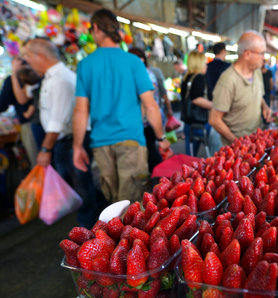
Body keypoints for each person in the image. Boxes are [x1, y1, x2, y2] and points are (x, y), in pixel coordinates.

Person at [72, 9, 169, 203]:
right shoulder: (133, 62)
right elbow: (150, 106)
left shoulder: (85, 65)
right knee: (132, 207)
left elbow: (81, 110)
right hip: (131, 142)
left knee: (112, 206)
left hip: (101, 145)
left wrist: (77, 147)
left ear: (96, 29)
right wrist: (161, 138)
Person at [23, 38, 105, 228]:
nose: (27, 61)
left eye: (28, 56)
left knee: (82, 189)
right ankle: (92, 224)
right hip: (65, 142)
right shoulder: (51, 77)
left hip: (70, 142)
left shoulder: (60, 79)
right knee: (80, 187)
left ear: (40, 56)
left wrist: (45, 149)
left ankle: (91, 230)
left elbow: (56, 122)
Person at [209, 30, 272, 146]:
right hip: (237, 150)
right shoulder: (228, 80)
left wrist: (265, 107)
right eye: (262, 53)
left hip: (257, 139)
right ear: (247, 54)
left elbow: (258, 96)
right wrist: (237, 142)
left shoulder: (257, 72)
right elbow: (214, 119)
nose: (264, 58)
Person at [128, 48, 166, 173]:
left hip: (147, 121)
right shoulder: (145, 73)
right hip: (148, 119)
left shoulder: (145, 75)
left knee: (150, 151)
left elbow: (147, 104)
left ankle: (159, 181)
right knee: (150, 150)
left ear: (141, 59)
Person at [0, 57, 38, 166]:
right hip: (41, 123)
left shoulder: (15, 79)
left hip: (30, 123)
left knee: (38, 163)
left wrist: (13, 74)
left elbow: (19, 101)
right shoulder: (38, 75)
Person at [181, 51, 213, 156]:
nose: (206, 66)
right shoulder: (199, 78)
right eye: (204, 63)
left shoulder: (186, 78)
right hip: (199, 122)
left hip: (188, 121)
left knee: (190, 154)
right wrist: (215, 106)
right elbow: (196, 99)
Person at [205, 42, 230, 153]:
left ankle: (214, 154)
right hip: (225, 102)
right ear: (224, 51)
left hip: (211, 101)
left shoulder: (207, 67)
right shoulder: (227, 67)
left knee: (214, 129)